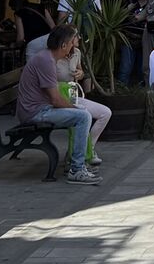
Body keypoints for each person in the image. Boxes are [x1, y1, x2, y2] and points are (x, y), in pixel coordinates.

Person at [15, 25, 102, 184]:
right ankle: (76, 169)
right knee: (82, 116)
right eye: (70, 43)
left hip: (38, 108)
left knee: (81, 113)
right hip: (35, 112)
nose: (72, 46)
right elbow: (55, 99)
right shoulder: (46, 61)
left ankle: (77, 163)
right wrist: (76, 109)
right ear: (63, 45)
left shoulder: (47, 58)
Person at [118, 0, 150, 86]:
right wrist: (128, 9)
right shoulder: (130, 1)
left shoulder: (152, 2)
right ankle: (121, 90)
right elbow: (119, 17)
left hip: (144, 40)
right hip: (128, 39)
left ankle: (140, 93)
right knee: (125, 68)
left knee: (143, 69)